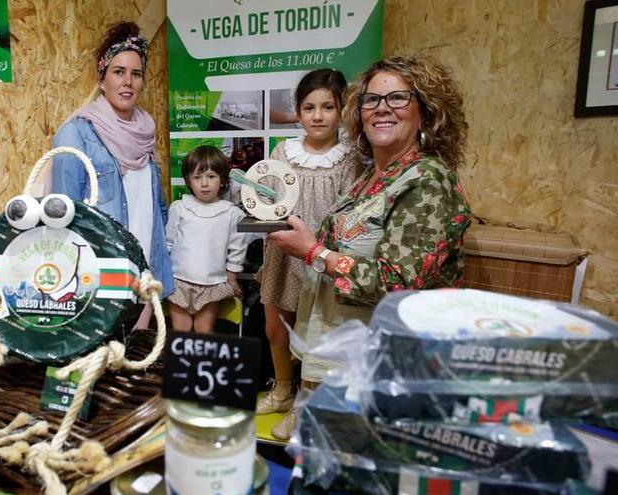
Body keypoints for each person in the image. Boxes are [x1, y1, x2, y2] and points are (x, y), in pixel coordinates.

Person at [268, 55, 472, 437]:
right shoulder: (374, 177)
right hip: (347, 367)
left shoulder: (425, 181)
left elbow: (397, 282)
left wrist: (313, 252)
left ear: (426, 111)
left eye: (398, 98)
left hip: (389, 374)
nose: (382, 108)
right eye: (371, 100)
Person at [253, 69, 361, 439]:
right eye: (309, 107)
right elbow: (265, 195)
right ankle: (282, 389)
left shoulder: (350, 158)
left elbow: (351, 211)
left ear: (341, 111)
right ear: (297, 112)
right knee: (275, 327)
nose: (318, 115)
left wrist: (322, 247)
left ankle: (304, 404)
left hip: (321, 256)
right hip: (283, 253)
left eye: (327, 107)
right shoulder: (283, 151)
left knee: (316, 336)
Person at [51, 21, 174, 322]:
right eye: (118, 72)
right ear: (102, 79)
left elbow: (155, 208)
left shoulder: (145, 132)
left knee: (138, 356)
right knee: (103, 360)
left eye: (136, 74)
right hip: (100, 274)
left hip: (146, 269)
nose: (127, 82)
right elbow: (62, 215)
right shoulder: (75, 133)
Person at [165, 146, 247, 333]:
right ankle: (181, 363)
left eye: (211, 177)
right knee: (181, 330)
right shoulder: (180, 207)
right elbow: (168, 242)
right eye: (197, 177)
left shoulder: (231, 213)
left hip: (212, 284)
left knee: (204, 330)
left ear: (223, 180)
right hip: (178, 281)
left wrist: (232, 278)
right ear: (188, 181)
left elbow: (237, 249)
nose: (204, 184)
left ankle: (201, 363)